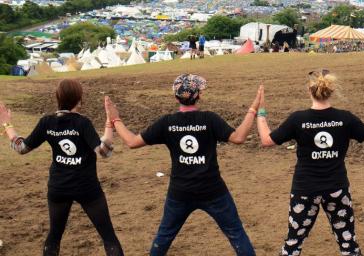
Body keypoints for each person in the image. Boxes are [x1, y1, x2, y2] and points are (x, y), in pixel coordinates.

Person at [104, 74, 259, 256]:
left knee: (164, 237)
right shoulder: (209, 119)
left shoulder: (167, 122)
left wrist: (115, 120)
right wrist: (253, 109)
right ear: (198, 95)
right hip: (213, 190)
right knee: (236, 233)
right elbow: (239, 137)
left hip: (180, 192)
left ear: (175, 96)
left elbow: (131, 141)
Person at [256, 70, 364, 256]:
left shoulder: (298, 119)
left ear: (309, 91)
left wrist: (260, 112)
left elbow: (266, 141)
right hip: (337, 188)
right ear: (331, 91)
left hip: (304, 190)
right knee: (348, 243)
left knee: (293, 243)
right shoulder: (344, 118)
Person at [0, 79, 124, 256]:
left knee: (54, 238)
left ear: (57, 97)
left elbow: (22, 148)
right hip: (87, 188)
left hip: (58, 188)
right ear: (79, 99)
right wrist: (109, 121)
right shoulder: (82, 123)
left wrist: (7, 123)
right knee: (109, 238)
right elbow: (104, 152)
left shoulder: (47, 122)